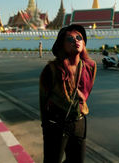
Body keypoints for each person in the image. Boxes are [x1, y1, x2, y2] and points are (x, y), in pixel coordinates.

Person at [39, 24, 97, 163]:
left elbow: (86, 92)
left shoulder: (90, 67)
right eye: (70, 39)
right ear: (62, 45)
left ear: (83, 43)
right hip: (56, 124)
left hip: (79, 122)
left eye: (79, 38)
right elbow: (43, 100)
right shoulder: (51, 70)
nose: (75, 41)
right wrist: (46, 126)